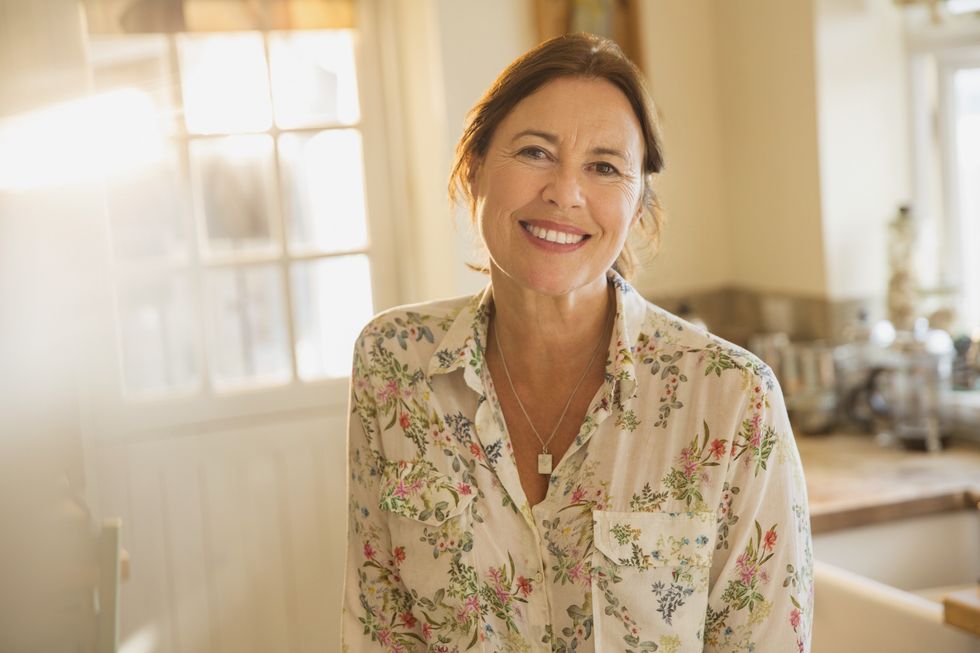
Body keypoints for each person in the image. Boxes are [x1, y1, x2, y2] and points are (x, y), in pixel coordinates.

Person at [342, 33, 813, 653]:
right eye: (535, 152)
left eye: (604, 167)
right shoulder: (395, 361)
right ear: (475, 164)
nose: (565, 193)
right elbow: (380, 628)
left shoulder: (731, 399)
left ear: (638, 203)